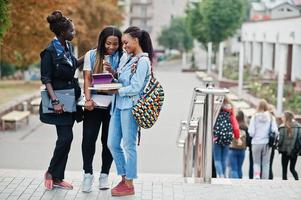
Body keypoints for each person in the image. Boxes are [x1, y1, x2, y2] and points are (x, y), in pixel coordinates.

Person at [106, 26, 153, 196]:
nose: (123, 45)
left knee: (129, 145)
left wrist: (117, 90)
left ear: (136, 41)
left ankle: (129, 183)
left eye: (126, 42)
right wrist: (112, 74)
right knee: (112, 143)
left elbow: (136, 87)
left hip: (130, 107)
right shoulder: (127, 59)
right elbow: (122, 80)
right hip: (117, 106)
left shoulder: (143, 61)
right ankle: (125, 177)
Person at [40, 10, 83, 190]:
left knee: (66, 138)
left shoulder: (67, 48)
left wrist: (92, 54)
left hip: (70, 99)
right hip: (59, 100)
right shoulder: (49, 52)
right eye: (72, 31)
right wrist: (55, 101)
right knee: (65, 138)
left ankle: (57, 177)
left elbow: (74, 64)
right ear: (63, 33)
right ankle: (51, 172)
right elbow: (46, 79)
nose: (74, 33)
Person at [81, 26, 123, 192]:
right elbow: (86, 78)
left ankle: (104, 175)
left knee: (109, 141)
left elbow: (124, 79)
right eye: (108, 44)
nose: (111, 47)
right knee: (89, 139)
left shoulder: (122, 56)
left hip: (113, 105)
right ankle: (87, 174)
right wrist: (88, 100)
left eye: (115, 44)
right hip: (95, 104)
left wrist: (113, 71)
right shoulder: (91, 55)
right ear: (102, 42)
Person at [248, 99, 278, 179]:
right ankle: (265, 179)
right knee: (266, 163)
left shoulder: (254, 117)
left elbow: (251, 132)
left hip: (256, 142)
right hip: (267, 143)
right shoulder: (271, 117)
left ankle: (257, 176)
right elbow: (275, 131)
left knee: (256, 162)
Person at [213, 96, 240, 178]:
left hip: (216, 137)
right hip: (227, 138)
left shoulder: (215, 112)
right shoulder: (230, 113)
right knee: (224, 159)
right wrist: (237, 137)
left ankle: (220, 175)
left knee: (217, 159)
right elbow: (235, 127)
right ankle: (223, 175)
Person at [278, 111, 301, 180]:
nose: (282, 118)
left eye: (283, 117)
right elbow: (300, 138)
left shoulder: (282, 127)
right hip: (294, 150)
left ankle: (284, 184)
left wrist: (278, 146)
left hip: (284, 150)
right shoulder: (298, 126)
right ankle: (297, 180)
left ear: (286, 118)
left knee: (284, 170)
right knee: (292, 168)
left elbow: (280, 140)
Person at [228, 110, 247, 178]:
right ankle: (240, 182)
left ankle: (235, 184)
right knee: (239, 168)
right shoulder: (245, 126)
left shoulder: (233, 125)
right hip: (242, 150)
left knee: (234, 169)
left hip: (232, 149)